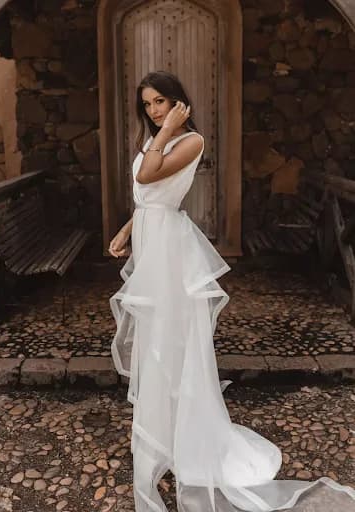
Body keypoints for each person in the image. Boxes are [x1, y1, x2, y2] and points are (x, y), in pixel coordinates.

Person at [108, 70, 355, 512]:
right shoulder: (161, 139)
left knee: (174, 342)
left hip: (169, 250)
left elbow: (147, 176)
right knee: (155, 340)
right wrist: (128, 230)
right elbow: (148, 196)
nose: (154, 111)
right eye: (147, 105)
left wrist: (163, 131)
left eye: (161, 101)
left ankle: (186, 436)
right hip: (151, 237)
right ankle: (161, 431)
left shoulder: (190, 141)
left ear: (179, 102)